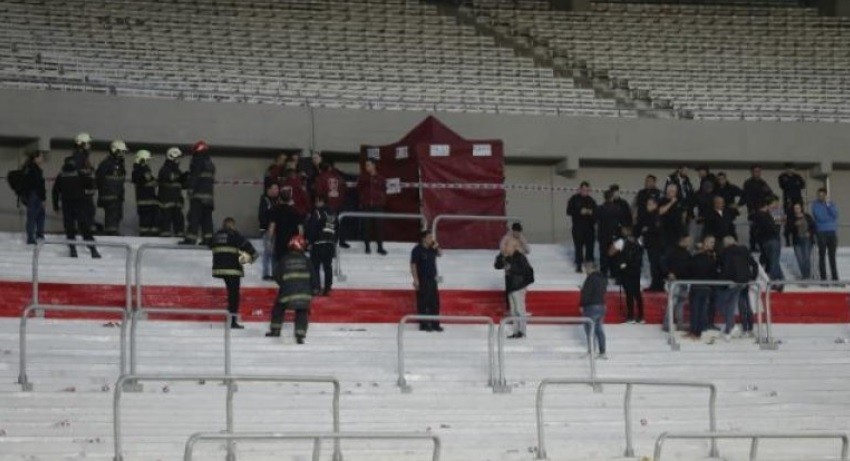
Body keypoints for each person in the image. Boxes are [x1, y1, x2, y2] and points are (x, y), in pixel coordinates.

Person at [266, 235, 314, 343]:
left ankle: (275, 330)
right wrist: (314, 289)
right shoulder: (307, 260)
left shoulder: (285, 259)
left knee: (278, 308)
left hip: (287, 292)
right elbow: (313, 276)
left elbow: (276, 275)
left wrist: (284, 284)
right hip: (304, 293)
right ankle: (300, 335)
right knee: (302, 311)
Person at [211, 217, 257, 330]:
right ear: (232, 225)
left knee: (230, 293)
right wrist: (249, 259)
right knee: (234, 295)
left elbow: (209, 244)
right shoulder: (235, 235)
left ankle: (229, 317)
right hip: (233, 270)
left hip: (219, 269)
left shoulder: (216, 235)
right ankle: (232, 321)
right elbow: (251, 250)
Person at [52, 156, 100, 258]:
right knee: (85, 227)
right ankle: (92, 249)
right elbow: (90, 185)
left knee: (70, 228)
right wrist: (91, 174)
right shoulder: (79, 174)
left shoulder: (61, 176)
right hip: (80, 204)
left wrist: (55, 206)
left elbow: (55, 192)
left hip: (67, 205)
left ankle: (73, 249)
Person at [717, 236, 759, 341]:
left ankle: (734, 327)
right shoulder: (744, 250)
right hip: (745, 281)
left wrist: (723, 283)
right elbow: (754, 264)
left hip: (733, 282)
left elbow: (725, 268)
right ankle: (749, 328)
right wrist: (752, 278)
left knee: (727, 304)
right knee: (746, 303)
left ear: (726, 244)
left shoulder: (725, 252)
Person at [495, 238, 535, 338]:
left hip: (519, 286)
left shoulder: (520, 257)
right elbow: (497, 265)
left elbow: (526, 270)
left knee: (519, 309)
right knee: (513, 310)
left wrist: (511, 268)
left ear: (514, 247)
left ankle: (522, 330)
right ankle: (516, 330)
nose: (505, 247)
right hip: (511, 286)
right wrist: (502, 256)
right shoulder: (507, 257)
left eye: (507, 245)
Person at [181, 140, 215, 246]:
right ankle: (208, 240)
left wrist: (190, 188)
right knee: (207, 220)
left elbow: (194, 176)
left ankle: (190, 240)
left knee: (194, 218)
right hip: (209, 198)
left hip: (198, 197)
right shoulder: (210, 163)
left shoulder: (197, 160)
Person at [686, 235, 718, 339]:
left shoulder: (697, 257)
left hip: (697, 285)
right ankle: (698, 332)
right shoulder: (712, 259)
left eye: (713, 242)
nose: (712, 245)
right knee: (701, 310)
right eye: (711, 242)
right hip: (706, 286)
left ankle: (694, 331)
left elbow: (689, 270)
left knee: (696, 310)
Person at [410, 230, 442, 332]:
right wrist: (416, 279)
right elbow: (413, 265)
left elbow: (440, 254)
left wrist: (436, 245)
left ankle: (435, 323)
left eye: (432, 237)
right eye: (429, 237)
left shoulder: (432, 248)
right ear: (423, 238)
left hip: (433, 279)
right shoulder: (417, 250)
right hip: (422, 279)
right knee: (423, 302)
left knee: (434, 302)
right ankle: (424, 324)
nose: (431, 239)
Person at [305, 195, 337, 296]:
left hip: (318, 243)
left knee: (315, 267)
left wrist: (309, 242)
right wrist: (334, 241)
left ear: (320, 201)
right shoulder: (332, 213)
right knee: (328, 267)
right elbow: (337, 229)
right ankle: (328, 288)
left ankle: (316, 288)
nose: (316, 204)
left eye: (317, 201)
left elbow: (313, 228)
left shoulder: (317, 212)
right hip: (330, 244)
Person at [611, 227, 644, 323]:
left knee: (629, 293)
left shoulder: (621, 242)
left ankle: (631, 316)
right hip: (636, 270)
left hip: (626, 270)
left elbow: (611, 252)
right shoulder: (639, 242)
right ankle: (641, 316)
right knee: (637, 293)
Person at [95, 140, 128, 235]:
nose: (123, 154)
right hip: (109, 195)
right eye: (121, 152)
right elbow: (99, 178)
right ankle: (111, 234)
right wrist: (104, 191)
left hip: (117, 196)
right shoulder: (106, 163)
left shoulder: (119, 164)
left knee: (118, 215)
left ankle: (113, 232)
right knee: (112, 215)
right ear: (115, 151)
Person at [357, 159, 388, 255]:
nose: (366, 167)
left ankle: (380, 247)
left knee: (379, 226)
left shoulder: (381, 178)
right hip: (366, 205)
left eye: (368, 165)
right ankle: (367, 247)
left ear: (374, 165)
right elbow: (359, 189)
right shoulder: (363, 177)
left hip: (378, 205)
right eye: (366, 165)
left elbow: (384, 189)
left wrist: (381, 200)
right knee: (366, 227)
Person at [751, 196, 784, 284]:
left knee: (772, 261)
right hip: (772, 239)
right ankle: (776, 280)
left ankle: (780, 279)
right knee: (774, 261)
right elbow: (775, 228)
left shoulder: (756, 216)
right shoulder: (767, 215)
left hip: (764, 241)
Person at [662, 235, 692, 331]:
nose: (690, 243)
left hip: (684, 281)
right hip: (674, 281)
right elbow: (663, 262)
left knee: (681, 304)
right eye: (688, 241)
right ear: (682, 240)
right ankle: (667, 324)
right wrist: (668, 272)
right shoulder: (671, 251)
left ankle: (679, 324)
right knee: (672, 303)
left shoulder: (687, 253)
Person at [635, 197, 665, 291]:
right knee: (653, 265)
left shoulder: (656, 215)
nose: (648, 206)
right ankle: (656, 284)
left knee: (655, 265)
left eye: (650, 204)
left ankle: (657, 285)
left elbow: (657, 228)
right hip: (650, 244)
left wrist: (647, 229)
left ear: (655, 205)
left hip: (655, 244)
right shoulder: (648, 215)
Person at [566, 182, 597, 273]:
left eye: (587, 190)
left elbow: (596, 213)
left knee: (589, 247)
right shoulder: (574, 199)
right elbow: (568, 211)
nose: (585, 192)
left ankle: (589, 265)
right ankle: (579, 264)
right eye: (583, 190)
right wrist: (579, 211)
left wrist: (591, 213)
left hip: (589, 227)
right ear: (579, 189)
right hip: (578, 227)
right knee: (578, 247)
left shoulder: (591, 201)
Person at [742, 165, 774, 252]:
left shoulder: (763, 183)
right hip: (753, 210)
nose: (757, 173)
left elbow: (770, 195)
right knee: (753, 229)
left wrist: (767, 206)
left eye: (759, 171)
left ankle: (762, 246)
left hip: (763, 210)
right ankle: (753, 247)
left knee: (763, 229)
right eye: (755, 171)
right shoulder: (748, 183)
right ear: (752, 172)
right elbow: (745, 197)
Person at [580, 263, 608, 359]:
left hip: (591, 306)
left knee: (590, 329)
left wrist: (582, 304)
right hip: (601, 305)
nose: (585, 271)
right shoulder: (603, 278)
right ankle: (602, 351)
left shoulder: (590, 278)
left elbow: (586, 293)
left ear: (590, 268)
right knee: (599, 329)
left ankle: (592, 351)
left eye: (586, 268)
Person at [157, 147, 187, 237]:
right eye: (178, 158)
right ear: (172, 157)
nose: (179, 160)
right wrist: (181, 177)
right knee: (165, 222)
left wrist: (187, 178)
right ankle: (164, 238)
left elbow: (183, 185)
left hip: (177, 202)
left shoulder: (178, 171)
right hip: (166, 202)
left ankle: (180, 236)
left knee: (179, 221)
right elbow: (169, 178)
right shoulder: (164, 169)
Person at [811, 188, 839, 281]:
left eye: (823, 195)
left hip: (832, 232)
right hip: (821, 232)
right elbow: (820, 217)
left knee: (832, 256)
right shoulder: (815, 205)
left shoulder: (831, 204)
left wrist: (828, 205)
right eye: (819, 195)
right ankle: (823, 278)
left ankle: (835, 278)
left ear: (826, 195)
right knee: (822, 255)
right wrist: (829, 217)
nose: (821, 197)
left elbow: (835, 215)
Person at [596, 189, 625, 278]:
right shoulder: (617, 208)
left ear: (604, 197)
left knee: (603, 255)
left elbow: (596, 220)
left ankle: (604, 273)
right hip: (614, 234)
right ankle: (614, 273)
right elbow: (622, 221)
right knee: (614, 255)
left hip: (603, 235)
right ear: (612, 197)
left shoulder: (600, 208)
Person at [269, 190, 304, 262]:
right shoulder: (295, 211)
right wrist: (300, 241)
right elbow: (300, 230)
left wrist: (270, 240)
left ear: (280, 198)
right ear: (290, 199)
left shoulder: (276, 210)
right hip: (292, 243)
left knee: (279, 263)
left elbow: (272, 228)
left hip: (280, 243)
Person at [71, 132, 97, 226]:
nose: (89, 146)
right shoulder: (79, 156)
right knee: (86, 210)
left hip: (86, 190)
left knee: (89, 210)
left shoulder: (83, 156)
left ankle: (87, 226)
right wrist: (90, 171)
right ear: (82, 144)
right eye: (88, 143)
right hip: (82, 190)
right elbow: (79, 172)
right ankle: (85, 228)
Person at [131, 150, 159, 236]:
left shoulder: (140, 170)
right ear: (143, 160)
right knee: (146, 220)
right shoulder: (141, 171)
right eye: (147, 160)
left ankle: (149, 234)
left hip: (148, 200)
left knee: (151, 219)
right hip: (145, 200)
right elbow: (150, 182)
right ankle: (146, 235)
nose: (148, 162)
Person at [21, 151, 46, 245]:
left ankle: (38, 234)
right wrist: (43, 197)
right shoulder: (33, 169)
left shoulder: (28, 168)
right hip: (34, 194)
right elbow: (38, 184)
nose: (42, 159)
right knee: (33, 216)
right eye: (41, 157)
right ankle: (32, 237)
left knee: (39, 214)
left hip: (32, 195)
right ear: (35, 158)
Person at [786, 202, 816, 280]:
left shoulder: (807, 217)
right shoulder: (792, 218)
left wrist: (810, 233)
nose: (797, 210)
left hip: (807, 240)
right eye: (795, 208)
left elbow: (813, 227)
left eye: (798, 208)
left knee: (806, 258)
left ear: (801, 208)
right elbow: (788, 230)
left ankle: (807, 276)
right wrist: (794, 225)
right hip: (797, 241)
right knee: (800, 259)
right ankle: (804, 275)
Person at [258, 182, 279, 281]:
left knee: (274, 252)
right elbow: (262, 216)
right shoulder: (265, 200)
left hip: (276, 230)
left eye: (277, 189)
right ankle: (266, 273)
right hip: (267, 230)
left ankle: (275, 272)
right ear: (269, 190)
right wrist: (268, 227)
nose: (276, 191)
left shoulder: (277, 200)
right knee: (268, 251)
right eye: (274, 188)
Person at [658, 183, 687, 251]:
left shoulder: (680, 201)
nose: (671, 193)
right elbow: (660, 212)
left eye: (673, 191)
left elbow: (683, 215)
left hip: (677, 231)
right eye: (670, 191)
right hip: (665, 230)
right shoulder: (662, 200)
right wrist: (671, 203)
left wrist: (684, 231)